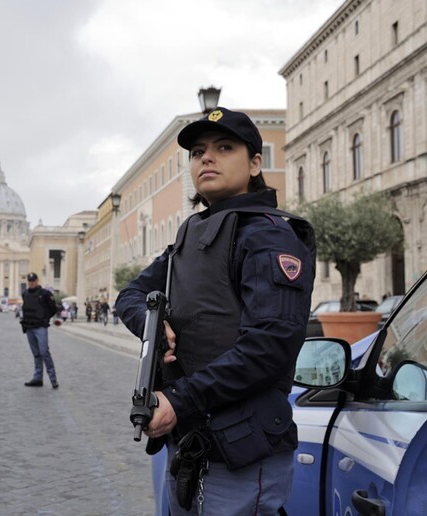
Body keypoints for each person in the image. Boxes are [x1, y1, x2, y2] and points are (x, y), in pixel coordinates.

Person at [115, 107, 315, 515]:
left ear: (255, 163)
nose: (206, 157)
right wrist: (154, 326)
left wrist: (177, 400)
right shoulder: (190, 235)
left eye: (224, 148)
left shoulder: (269, 236)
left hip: (241, 451)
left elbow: (270, 344)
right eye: (197, 151)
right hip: (189, 440)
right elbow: (131, 295)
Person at [20, 272, 59, 389]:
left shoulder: (45, 294)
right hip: (29, 327)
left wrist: (44, 319)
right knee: (36, 354)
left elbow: (53, 309)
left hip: (40, 327)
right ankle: (37, 378)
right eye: (29, 281)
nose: (31, 283)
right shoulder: (25, 294)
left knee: (44, 352)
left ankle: (53, 379)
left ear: (37, 281)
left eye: (33, 281)